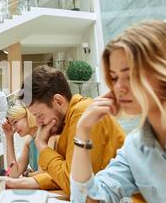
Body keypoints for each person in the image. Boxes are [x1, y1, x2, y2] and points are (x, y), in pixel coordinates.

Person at [70, 20, 166, 203]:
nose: (118, 88)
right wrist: (82, 130)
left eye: (130, 75)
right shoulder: (135, 147)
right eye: (114, 78)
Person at [16, 65, 125, 196]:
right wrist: (21, 183)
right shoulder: (68, 121)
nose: (38, 123)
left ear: (58, 101)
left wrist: (42, 145)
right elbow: (65, 173)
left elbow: (74, 185)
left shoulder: (82, 114)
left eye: (39, 115)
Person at [2, 104, 56, 190]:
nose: (14, 129)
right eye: (12, 125)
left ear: (28, 115)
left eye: (15, 122)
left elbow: (43, 174)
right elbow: (13, 173)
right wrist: (9, 137)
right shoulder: (29, 142)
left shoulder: (48, 136)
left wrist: (27, 174)